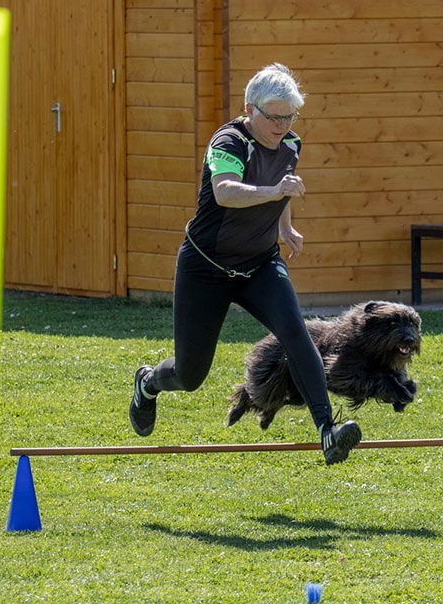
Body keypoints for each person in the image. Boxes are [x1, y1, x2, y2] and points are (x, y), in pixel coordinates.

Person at [129, 62, 362, 464]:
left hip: (259, 264)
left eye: (289, 116)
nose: (281, 125)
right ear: (249, 109)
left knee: (295, 332)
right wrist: (274, 193)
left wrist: (285, 226)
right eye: (273, 116)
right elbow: (226, 192)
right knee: (191, 374)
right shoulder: (228, 142)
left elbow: (283, 186)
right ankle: (148, 383)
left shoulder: (291, 143)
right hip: (206, 268)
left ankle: (328, 431)